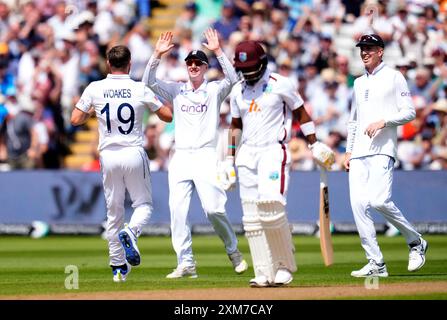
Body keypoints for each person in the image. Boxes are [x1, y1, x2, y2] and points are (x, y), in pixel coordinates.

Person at [222, 40, 335, 287]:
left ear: (262, 63)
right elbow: (235, 125)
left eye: (252, 67)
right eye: (244, 69)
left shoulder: (280, 84)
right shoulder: (237, 91)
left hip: (273, 151)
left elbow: (301, 113)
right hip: (247, 155)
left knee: (271, 207)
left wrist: (314, 144)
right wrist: (229, 159)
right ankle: (263, 270)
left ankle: (284, 266)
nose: (248, 73)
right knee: (251, 217)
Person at [143, 28, 248, 278]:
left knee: (214, 209)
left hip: (205, 156)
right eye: (189, 63)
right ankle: (185, 262)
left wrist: (219, 51)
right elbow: (147, 82)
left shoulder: (213, 90)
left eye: (198, 63)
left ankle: (233, 252)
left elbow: (233, 80)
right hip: (180, 157)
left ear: (204, 66)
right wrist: (156, 55)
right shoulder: (177, 90)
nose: (193, 66)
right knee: (177, 211)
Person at [71, 45, 173, 282]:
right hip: (133, 151)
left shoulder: (95, 88)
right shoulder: (139, 88)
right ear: (129, 64)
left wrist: (93, 112)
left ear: (108, 63)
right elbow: (167, 115)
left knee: (113, 211)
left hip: (108, 155)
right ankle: (132, 231)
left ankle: (118, 267)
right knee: (144, 204)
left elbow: (75, 119)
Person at [344, 34, 428, 278]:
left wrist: (384, 121)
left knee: (379, 201)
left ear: (380, 51)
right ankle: (376, 262)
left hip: (382, 150)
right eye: (362, 49)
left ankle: (416, 242)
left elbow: (410, 112)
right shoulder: (358, 82)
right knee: (359, 205)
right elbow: (354, 120)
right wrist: (349, 150)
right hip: (359, 152)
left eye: (369, 48)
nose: (364, 52)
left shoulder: (394, 77)